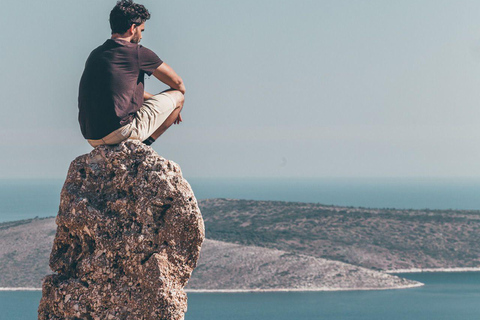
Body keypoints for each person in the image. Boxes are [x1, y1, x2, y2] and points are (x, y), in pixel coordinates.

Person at [78, 0, 185, 147]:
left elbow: (118, 92)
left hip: (92, 137)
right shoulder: (137, 52)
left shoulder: (96, 54)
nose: (140, 36)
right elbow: (178, 84)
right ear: (133, 28)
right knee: (178, 97)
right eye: (141, 30)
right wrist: (171, 107)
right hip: (121, 132)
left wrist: (154, 100)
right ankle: (142, 147)